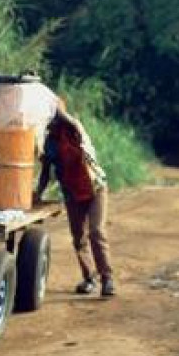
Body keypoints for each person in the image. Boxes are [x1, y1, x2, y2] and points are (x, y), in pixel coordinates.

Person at [36, 107, 115, 296]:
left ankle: (107, 278)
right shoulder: (49, 143)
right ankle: (89, 278)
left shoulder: (76, 131)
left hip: (96, 188)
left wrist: (53, 106)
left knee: (96, 232)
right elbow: (46, 172)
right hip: (72, 193)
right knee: (79, 237)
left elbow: (70, 119)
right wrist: (37, 194)